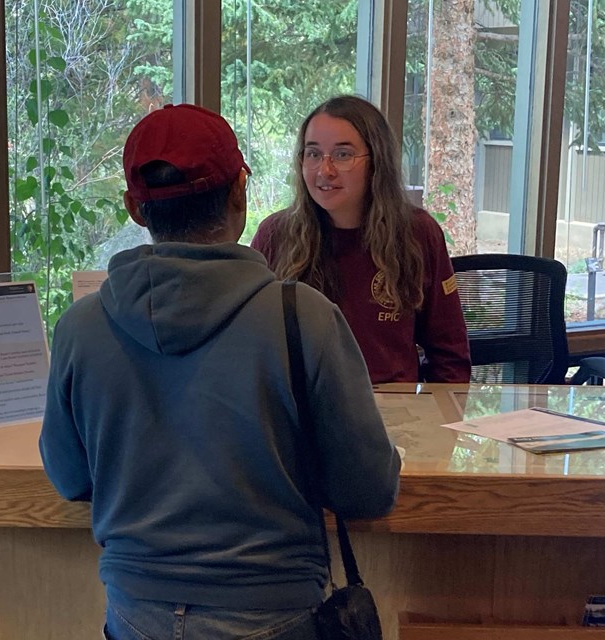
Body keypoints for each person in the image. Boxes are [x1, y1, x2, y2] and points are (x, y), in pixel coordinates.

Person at [39, 103, 400, 640]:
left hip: (135, 614)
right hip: (276, 612)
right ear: (240, 193)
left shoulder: (79, 328)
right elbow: (366, 491)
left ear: (134, 210)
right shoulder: (303, 318)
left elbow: (70, 479)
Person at [251, 95, 471, 385]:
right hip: (302, 415)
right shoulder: (276, 235)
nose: (324, 170)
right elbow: (250, 348)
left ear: (376, 162)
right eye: (313, 154)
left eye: (343, 155)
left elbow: (450, 358)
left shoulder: (417, 233)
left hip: (391, 414)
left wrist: (435, 426)